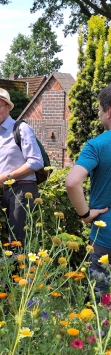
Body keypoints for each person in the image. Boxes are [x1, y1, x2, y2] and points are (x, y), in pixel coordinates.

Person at [0, 88, 43, 248]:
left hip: (23, 190)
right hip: (5, 191)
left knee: (17, 242)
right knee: (6, 243)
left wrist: (7, 177)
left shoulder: (21, 129)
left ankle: (22, 273)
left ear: (8, 108)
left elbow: (36, 161)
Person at [65, 84, 111, 295]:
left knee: (103, 305)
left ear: (109, 112)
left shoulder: (97, 145)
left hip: (105, 236)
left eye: (100, 111)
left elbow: (73, 182)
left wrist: (85, 215)